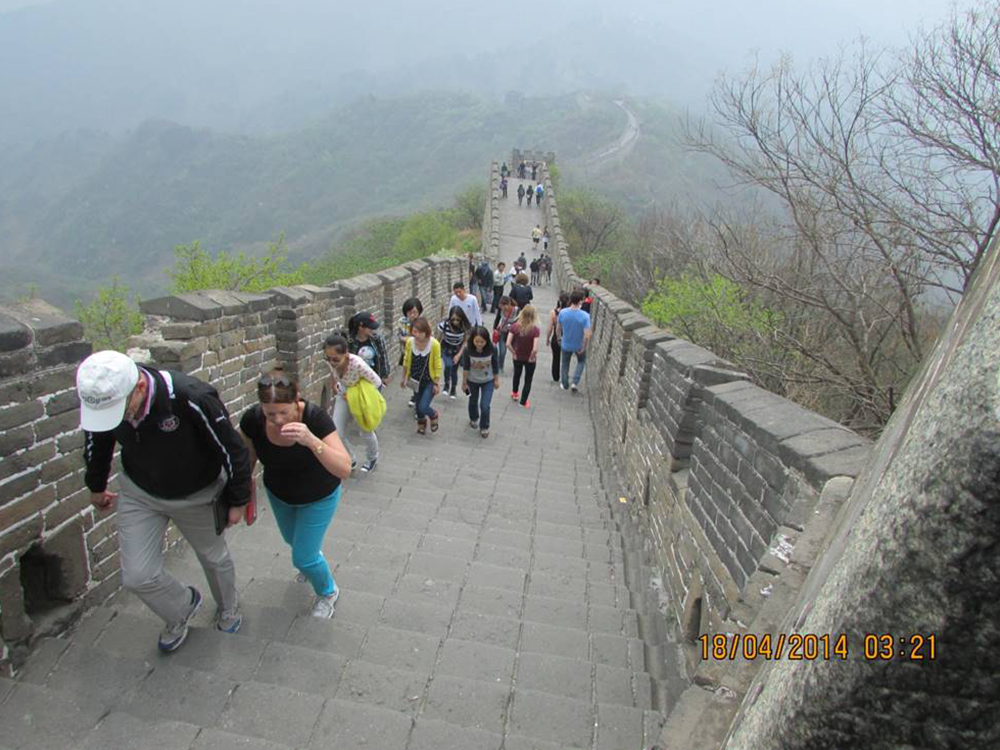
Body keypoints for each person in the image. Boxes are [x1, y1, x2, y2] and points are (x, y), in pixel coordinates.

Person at [78, 350, 252, 653]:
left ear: (140, 388)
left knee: (214, 558)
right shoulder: (104, 399)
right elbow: (98, 439)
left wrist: (238, 500)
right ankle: (180, 607)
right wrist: (95, 485)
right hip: (140, 491)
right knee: (137, 575)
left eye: (119, 409)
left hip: (197, 493)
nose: (114, 419)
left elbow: (232, 448)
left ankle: (228, 606)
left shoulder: (189, 397)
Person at [239, 370, 351, 618]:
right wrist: (242, 489)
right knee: (294, 542)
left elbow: (344, 468)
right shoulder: (253, 420)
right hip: (280, 494)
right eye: (271, 413)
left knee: (303, 557)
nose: (278, 419)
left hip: (319, 495)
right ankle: (311, 560)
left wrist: (311, 441)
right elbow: (249, 456)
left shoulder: (315, 418)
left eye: (284, 412)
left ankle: (328, 592)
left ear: (296, 400)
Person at [323, 334, 383, 472]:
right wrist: (336, 385)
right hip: (343, 393)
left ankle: (372, 457)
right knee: (337, 432)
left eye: (335, 359)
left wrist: (367, 403)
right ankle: (350, 459)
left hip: (360, 396)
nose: (331, 362)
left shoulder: (358, 364)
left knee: (366, 431)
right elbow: (334, 374)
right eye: (328, 358)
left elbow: (377, 382)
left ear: (346, 354)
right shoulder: (331, 361)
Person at [402, 317, 442, 435]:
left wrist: (436, 383)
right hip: (415, 379)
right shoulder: (410, 342)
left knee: (423, 406)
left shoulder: (434, 344)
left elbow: (437, 364)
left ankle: (433, 414)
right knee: (418, 404)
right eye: (414, 332)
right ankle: (421, 424)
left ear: (426, 331)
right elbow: (406, 361)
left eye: (419, 332)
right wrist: (404, 378)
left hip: (429, 380)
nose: (417, 335)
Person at [461, 325, 500, 438]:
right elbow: (466, 368)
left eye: (482, 342)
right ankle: (473, 418)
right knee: (472, 401)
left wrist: (496, 380)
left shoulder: (492, 349)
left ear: (486, 340)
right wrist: (464, 383)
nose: (479, 344)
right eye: (476, 341)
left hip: (488, 381)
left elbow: (495, 365)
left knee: (485, 405)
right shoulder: (467, 350)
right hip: (472, 381)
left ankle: (484, 426)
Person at [557, 289, 592, 392]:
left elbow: (558, 328)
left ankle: (565, 383)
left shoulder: (563, 312)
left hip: (566, 343)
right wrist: (584, 346)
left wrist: (559, 338)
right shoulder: (585, 316)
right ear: (581, 301)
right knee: (581, 361)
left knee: (565, 364)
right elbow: (587, 335)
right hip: (579, 344)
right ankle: (575, 382)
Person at [507, 304, 540, 408]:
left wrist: (514, 353)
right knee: (528, 380)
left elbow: (508, 343)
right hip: (529, 359)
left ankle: (515, 393)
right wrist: (532, 357)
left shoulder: (515, 327)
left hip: (518, 357)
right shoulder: (535, 330)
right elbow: (535, 349)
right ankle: (523, 402)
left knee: (517, 374)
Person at [347, 312, 390, 384]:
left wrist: (385, 375)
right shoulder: (350, 342)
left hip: (375, 379)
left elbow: (383, 357)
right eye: (370, 327)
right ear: (360, 327)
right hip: (356, 381)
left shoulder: (377, 339)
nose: (372, 329)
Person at [436, 306, 470, 399]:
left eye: (457, 319)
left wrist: (459, 355)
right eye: (453, 319)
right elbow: (438, 339)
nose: (455, 321)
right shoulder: (445, 325)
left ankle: (453, 389)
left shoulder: (464, 327)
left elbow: (465, 342)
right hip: (446, 348)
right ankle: (446, 384)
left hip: (458, 349)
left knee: (454, 370)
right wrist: (435, 350)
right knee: (448, 365)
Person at [398, 298, 424, 407]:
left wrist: (408, 338)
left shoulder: (422, 323)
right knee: (412, 378)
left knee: (418, 377)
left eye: (415, 312)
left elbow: (424, 338)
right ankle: (416, 395)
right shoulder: (401, 322)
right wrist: (413, 338)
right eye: (410, 312)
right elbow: (400, 337)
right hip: (407, 353)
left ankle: (418, 399)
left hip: (420, 354)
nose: (412, 315)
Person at [547, 292, 570, 383]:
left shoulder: (554, 312)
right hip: (568, 337)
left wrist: (547, 338)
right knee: (566, 359)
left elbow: (550, 328)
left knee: (555, 358)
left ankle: (556, 376)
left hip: (556, 338)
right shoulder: (571, 313)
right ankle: (565, 377)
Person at [492, 296, 518, 373]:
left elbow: (520, 322)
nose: (502, 308)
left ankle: (516, 365)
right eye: (501, 306)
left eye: (503, 306)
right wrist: (495, 329)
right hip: (503, 332)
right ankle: (500, 367)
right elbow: (497, 318)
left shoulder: (517, 310)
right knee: (502, 351)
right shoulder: (501, 310)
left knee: (515, 350)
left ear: (509, 304)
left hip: (513, 334)